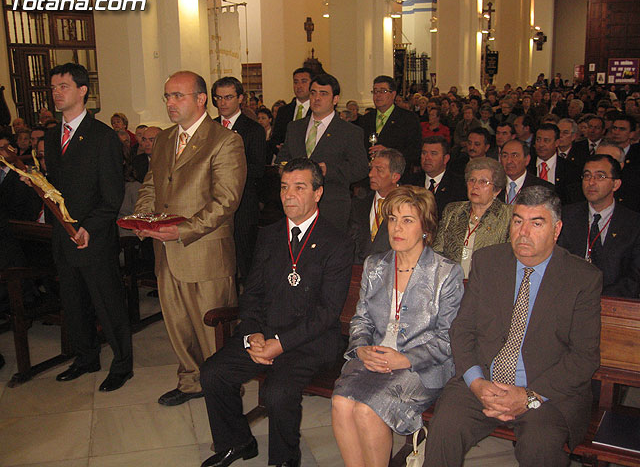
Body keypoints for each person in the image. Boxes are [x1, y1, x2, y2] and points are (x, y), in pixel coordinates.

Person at [424, 186, 603, 467]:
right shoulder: (489, 261)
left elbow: (583, 356)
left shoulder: (581, 278)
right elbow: (463, 329)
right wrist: (477, 382)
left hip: (546, 392)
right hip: (485, 380)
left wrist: (528, 396)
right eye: (518, 221)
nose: (524, 232)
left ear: (556, 230)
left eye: (536, 223)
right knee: (445, 426)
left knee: (539, 444)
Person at [199, 158, 354, 467]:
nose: (288, 195)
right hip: (265, 332)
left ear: (317, 193)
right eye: (284, 187)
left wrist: (280, 343)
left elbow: (327, 312)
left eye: (299, 187)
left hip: (310, 341)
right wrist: (253, 333)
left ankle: (284, 461)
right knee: (213, 373)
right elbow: (253, 292)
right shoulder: (270, 235)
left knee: (278, 392)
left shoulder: (336, 242)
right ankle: (238, 442)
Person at [134, 70, 246, 406]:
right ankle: (191, 381)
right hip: (165, 250)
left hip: (205, 251)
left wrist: (181, 230)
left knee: (213, 330)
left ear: (200, 100)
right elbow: (152, 185)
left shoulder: (225, 140)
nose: (170, 102)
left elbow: (226, 200)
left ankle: (224, 387)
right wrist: (143, 218)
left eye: (177, 95)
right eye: (167, 96)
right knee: (178, 324)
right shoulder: (166, 139)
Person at [332, 185, 464, 467]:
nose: (397, 228)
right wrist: (361, 349)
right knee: (341, 404)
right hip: (374, 357)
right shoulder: (375, 265)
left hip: (422, 366)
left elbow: (447, 339)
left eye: (407, 220)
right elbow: (361, 319)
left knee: (368, 410)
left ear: (425, 227)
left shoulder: (446, 273)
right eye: (392, 219)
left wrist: (403, 358)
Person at [42, 63, 132, 391]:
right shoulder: (53, 137)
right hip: (63, 236)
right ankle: (85, 357)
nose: (56, 92)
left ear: (82, 91)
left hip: (93, 235)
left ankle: (123, 363)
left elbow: (112, 195)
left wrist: (89, 228)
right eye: (53, 87)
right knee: (73, 300)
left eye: (63, 86)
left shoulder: (102, 136)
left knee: (106, 301)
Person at [276, 73, 368, 232]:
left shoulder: (349, 132)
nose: (316, 98)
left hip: (332, 206)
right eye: (313, 93)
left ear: (335, 99)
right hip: (296, 206)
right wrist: (285, 170)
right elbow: (282, 159)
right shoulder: (295, 127)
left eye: (323, 93)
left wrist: (329, 170)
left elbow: (360, 168)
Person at [558, 154, 640, 298]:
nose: (591, 182)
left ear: (616, 184)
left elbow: (634, 277)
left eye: (600, 177)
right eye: (587, 176)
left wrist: (598, 298)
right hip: (568, 298)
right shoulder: (566, 215)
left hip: (613, 302)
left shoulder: (633, 224)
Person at [212, 76, 266, 283]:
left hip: (243, 201)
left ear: (240, 98)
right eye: (218, 98)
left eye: (228, 97)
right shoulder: (211, 127)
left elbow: (258, 168)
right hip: (213, 200)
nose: (223, 103)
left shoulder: (252, 129)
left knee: (245, 257)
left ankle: (250, 306)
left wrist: (225, 172)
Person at [433, 157, 510, 278]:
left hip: (488, 285)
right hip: (452, 284)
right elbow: (437, 252)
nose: (475, 186)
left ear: (496, 190)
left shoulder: (508, 215)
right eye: (472, 180)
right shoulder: (453, 211)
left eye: (483, 182)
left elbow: (509, 260)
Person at [358, 75, 422, 176]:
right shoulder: (365, 119)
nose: (378, 95)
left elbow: (415, 150)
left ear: (393, 94)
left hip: (396, 175)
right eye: (375, 91)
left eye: (383, 91)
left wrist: (389, 153)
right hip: (369, 175)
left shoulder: (408, 118)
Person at [349, 148, 404, 264]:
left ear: (395, 177)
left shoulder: (408, 206)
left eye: (379, 170)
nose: (371, 174)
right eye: (371, 169)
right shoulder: (359, 203)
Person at [408, 136, 466, 218]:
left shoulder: (459, 185)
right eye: (424, 153)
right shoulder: (411, 183)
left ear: (445, 159)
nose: (427, 158)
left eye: (433, 153)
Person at [499, 139, 553, 205]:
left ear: (527, 159)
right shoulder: (494, 185)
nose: (509, 161)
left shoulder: (543, 188)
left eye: (515, 156)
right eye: (505, 156)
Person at [271, 67, 313, 147]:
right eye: (296, 82)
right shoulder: (283, 111)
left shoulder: (317, 111)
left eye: (304, 82)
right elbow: (275, 138)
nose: (299, 86)